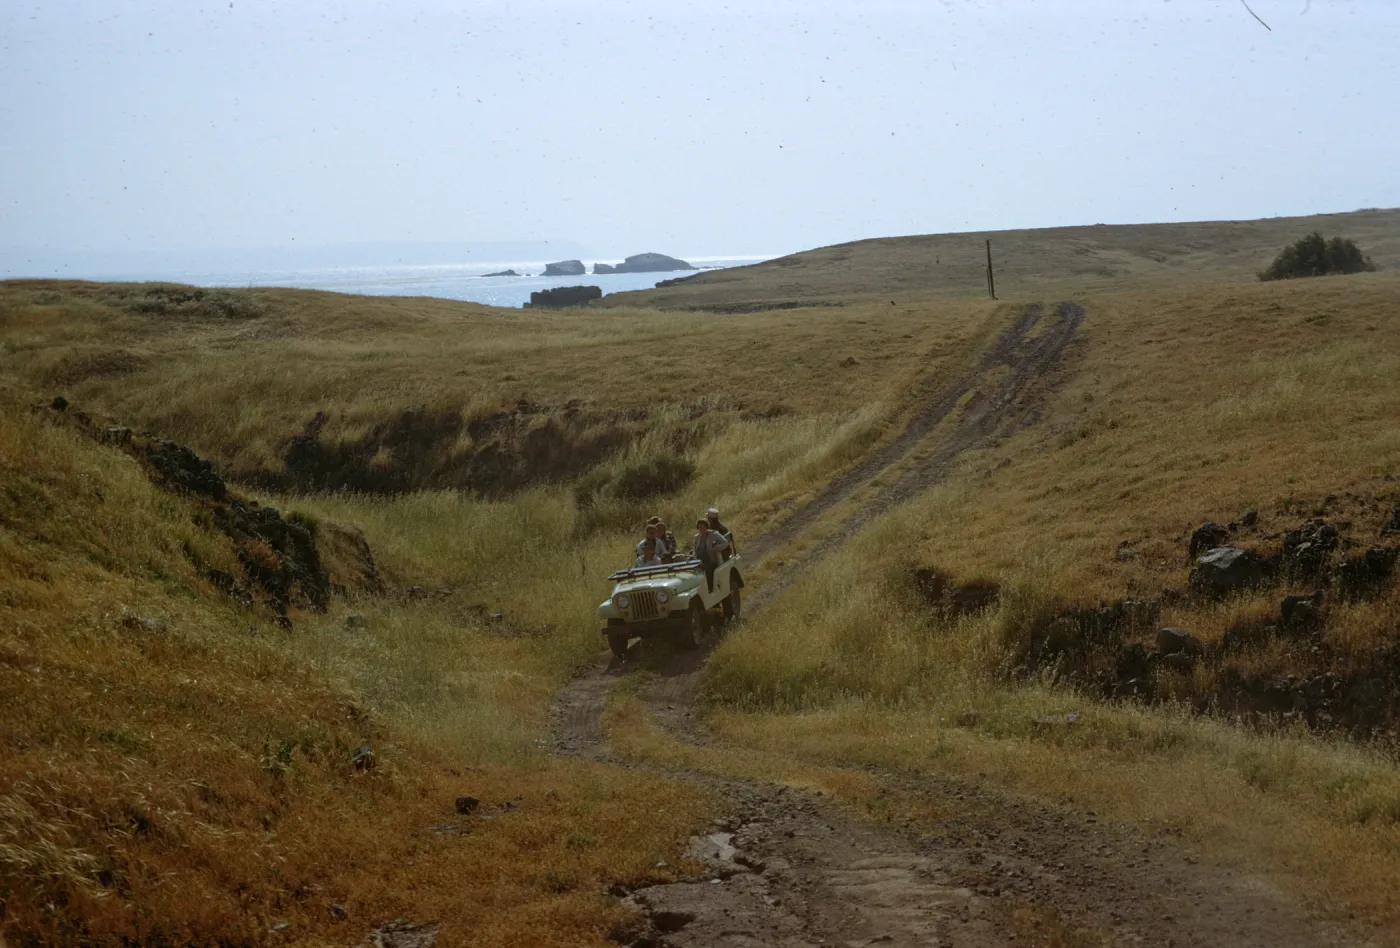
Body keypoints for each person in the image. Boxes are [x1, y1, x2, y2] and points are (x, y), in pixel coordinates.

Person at [692, 517, 730, 592]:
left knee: (708, 573)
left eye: (703, 527)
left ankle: (711, 589)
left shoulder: (714, 534)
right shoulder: (696, 537)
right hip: (700, 561)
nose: (701, 529)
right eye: (699, 527)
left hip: (712, 560)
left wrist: (716, 548)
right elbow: (695, 550)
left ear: (707, 526)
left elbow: (725, 542)